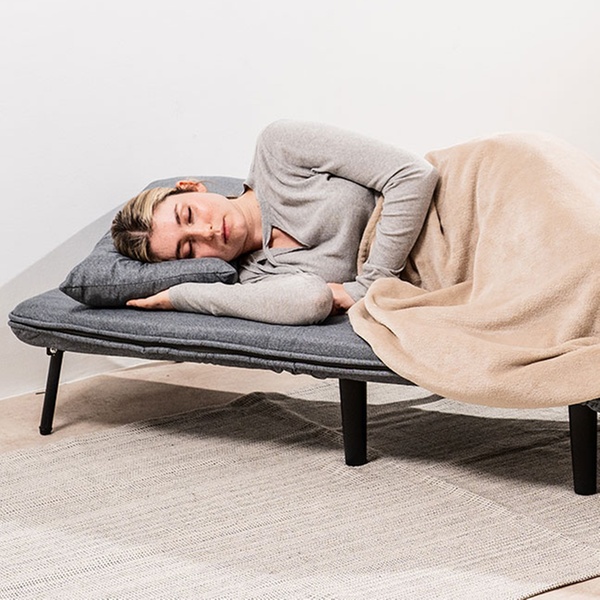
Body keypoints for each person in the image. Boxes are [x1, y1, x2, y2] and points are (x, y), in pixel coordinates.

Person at [111, 120, 439, 325]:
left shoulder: (277, 149)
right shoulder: (256, 279)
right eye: (189, 249)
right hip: (439, 276)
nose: (206, 232)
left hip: (451, 203)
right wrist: (181, 296)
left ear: (191, 187)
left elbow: (412, 175)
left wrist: (371, 283)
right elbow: (311, 300)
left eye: (189, 215)